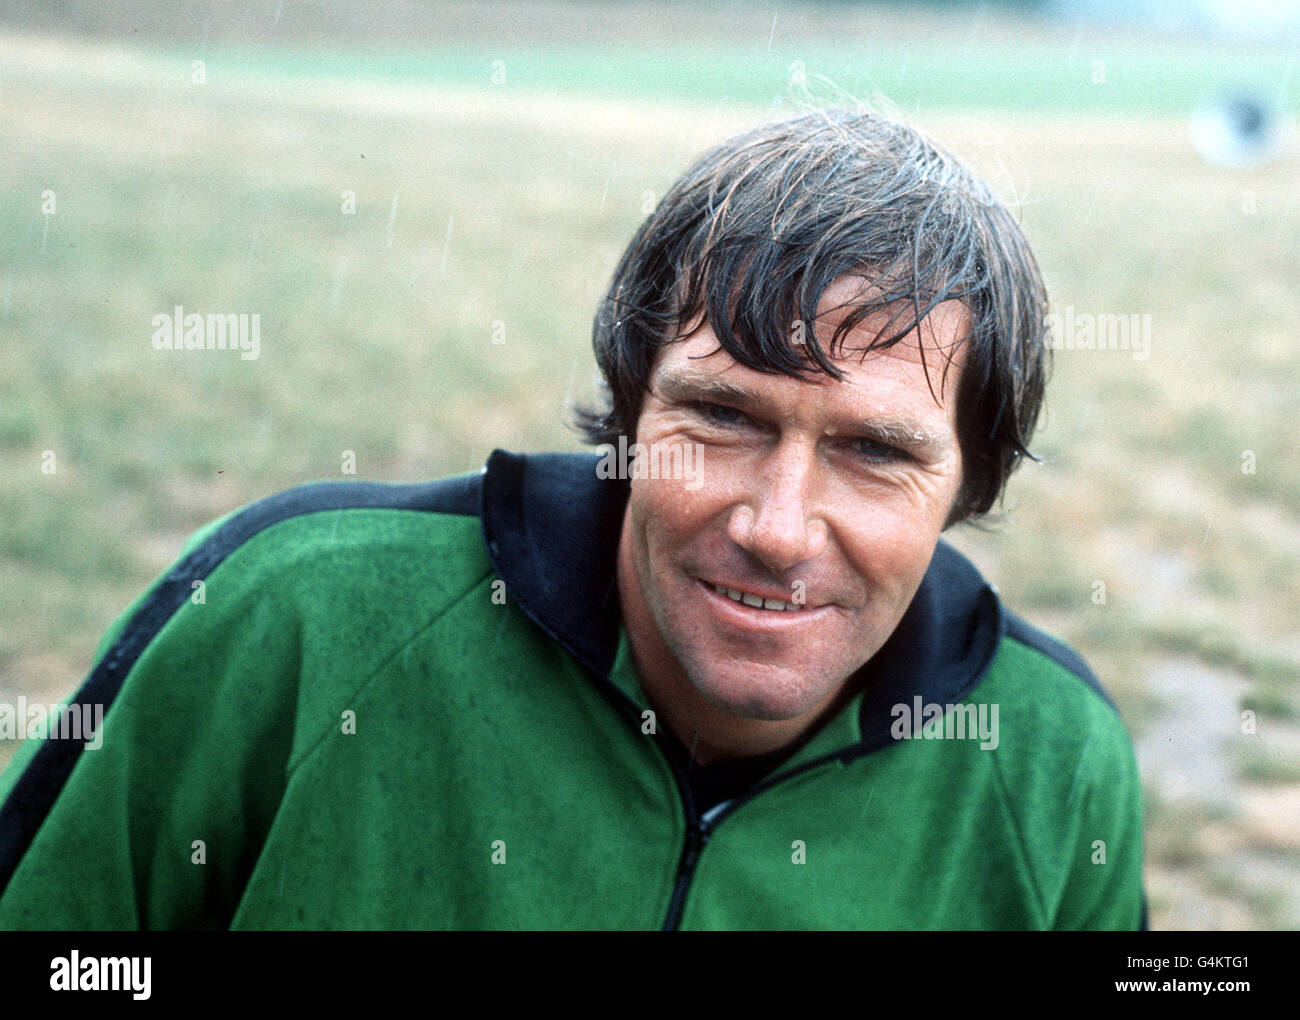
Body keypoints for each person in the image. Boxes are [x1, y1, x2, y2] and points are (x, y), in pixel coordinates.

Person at [0, 108, 1146, 930]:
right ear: (628, 407)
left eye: (875, 451)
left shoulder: (1051, 764)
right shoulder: (294, 616)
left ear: (969, 484)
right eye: (722, 418)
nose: (780, 527)